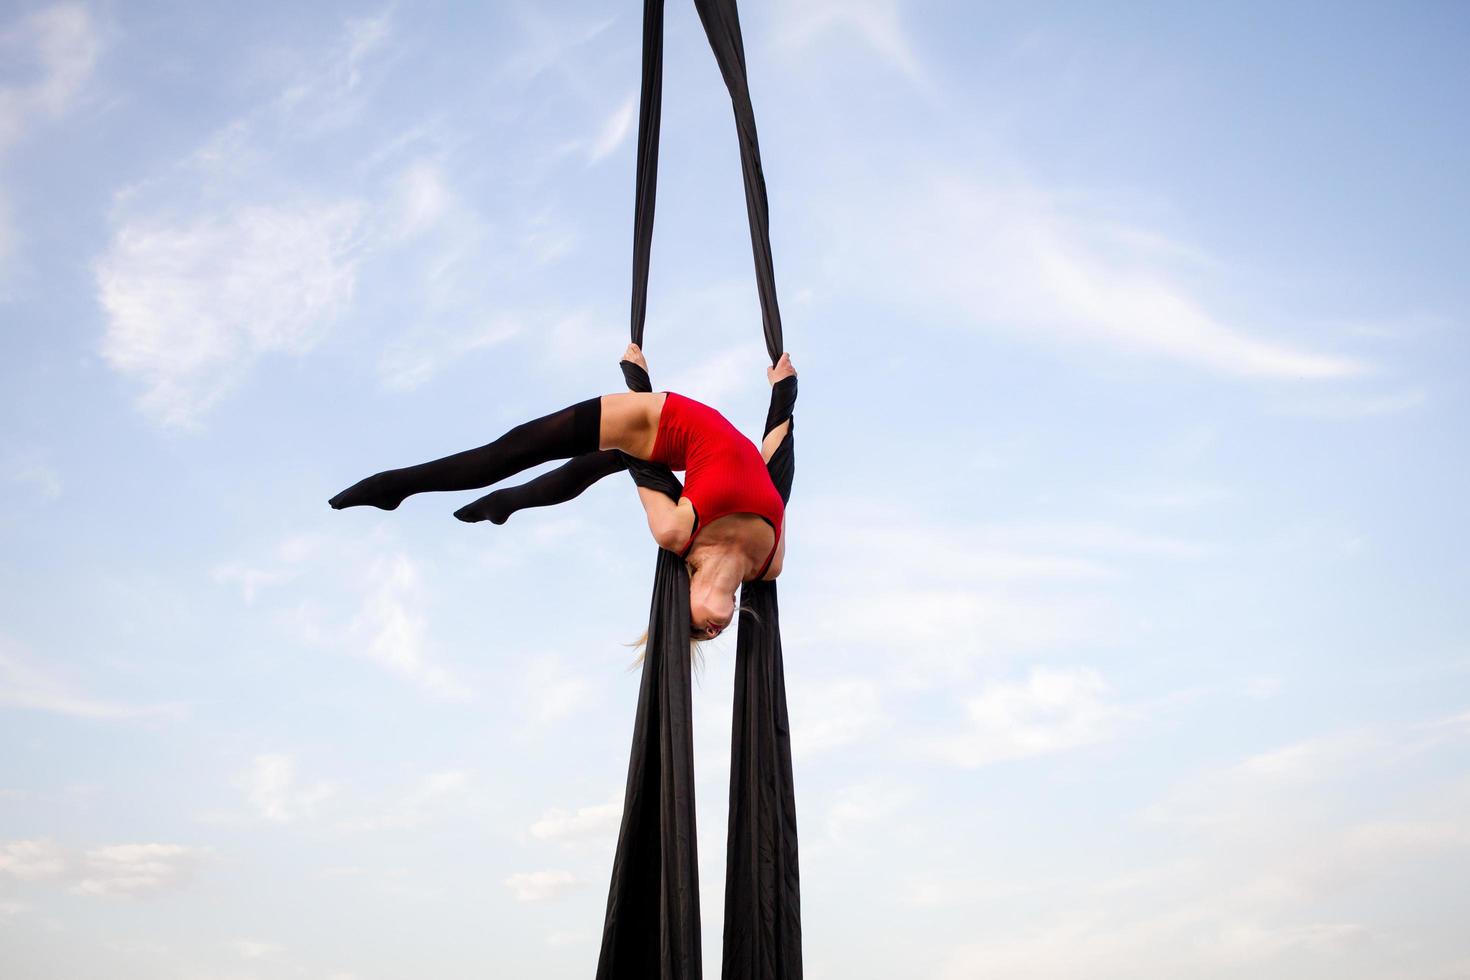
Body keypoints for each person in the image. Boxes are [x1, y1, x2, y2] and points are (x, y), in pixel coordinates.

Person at [328, 344, 796, 642]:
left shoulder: (675, 531)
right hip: (679, 432)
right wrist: (784, 392)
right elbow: (776, 468)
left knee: (543, 453)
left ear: (681, 597)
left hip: (656, 423)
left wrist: (638, 390)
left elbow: (644, 465)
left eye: (695, 628)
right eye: (709, 634)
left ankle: (429, 492)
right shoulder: (769, 563)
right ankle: (471, 497)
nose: (711, 631)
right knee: (537, 456)